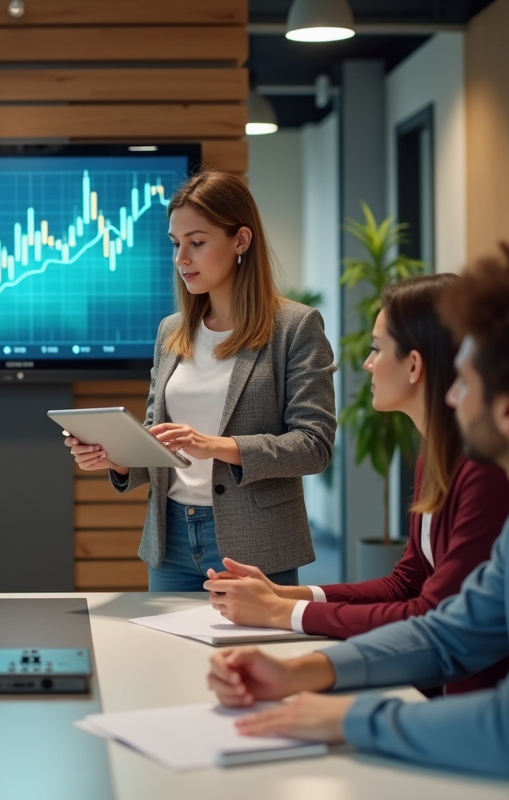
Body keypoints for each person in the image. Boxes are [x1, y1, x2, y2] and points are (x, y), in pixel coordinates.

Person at [206, 242, 509, 796]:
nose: (451, 397)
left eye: (464, 381)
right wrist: (298, 672)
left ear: (507, 409)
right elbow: (450, 633)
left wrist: (344, 720)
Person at [204, 274, 509, 694]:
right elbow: (406, 584)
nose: (367, 363)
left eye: (376, 347)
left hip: (480, 706)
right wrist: (285, 594)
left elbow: (430, 612)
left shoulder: (483, 470)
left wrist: (283, 613)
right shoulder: (435, 458)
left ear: (413, 364)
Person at [65, 170, 336, 590]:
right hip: (170, 540)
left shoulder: (295, 327)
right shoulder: (171, 331)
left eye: (197, 242)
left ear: (240, 241)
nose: (181, 259)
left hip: (255, 544)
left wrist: (217, 447)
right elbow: (161, 445)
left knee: (247, 656)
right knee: (166, 657)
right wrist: (117, 459)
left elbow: (315, 446)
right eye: (176, 244)